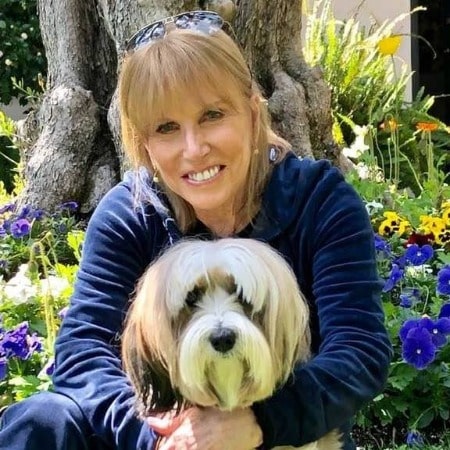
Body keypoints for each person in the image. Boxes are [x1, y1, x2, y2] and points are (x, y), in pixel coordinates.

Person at [0, 10, 392, 450]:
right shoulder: (130, 215)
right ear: (144, 143)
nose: (194, 148)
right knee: (41, 421)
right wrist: (161, 437)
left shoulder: (318, 201)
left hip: (282, 434)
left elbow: (358, 349)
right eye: (167, 127)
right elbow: (83, 354)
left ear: (252, 110)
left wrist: (259, 423)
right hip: (155, 429)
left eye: (212, 115)